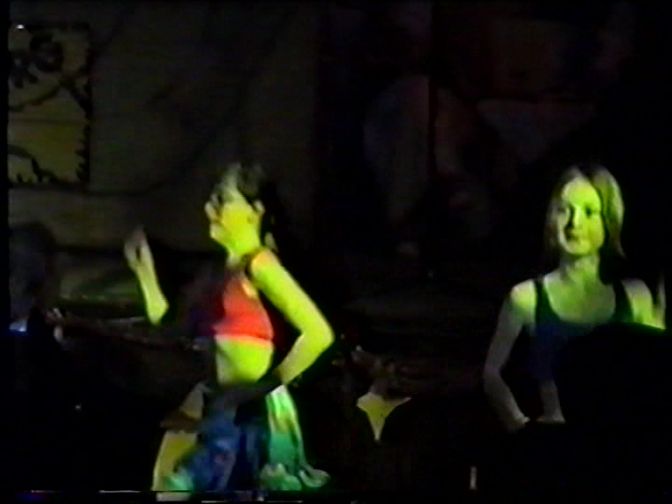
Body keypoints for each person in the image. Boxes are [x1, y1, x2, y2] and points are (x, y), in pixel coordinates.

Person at [124, 163, 334, 493]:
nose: (210, 210)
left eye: (222, 199)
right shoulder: (216, 275)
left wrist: (267, 385)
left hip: (249, 416)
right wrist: (146, 275)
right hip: (219, 408)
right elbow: (171, 328)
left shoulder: (260, 264)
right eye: (211, 201)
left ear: (255, 211)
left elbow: (319, 333)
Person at [483, 164, 665, 433]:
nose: (574, 223)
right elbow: (492, 374)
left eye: (589, 212)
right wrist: (520, 427)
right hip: (556, 446)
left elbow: (656, 375)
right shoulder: (526, 298)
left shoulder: (634, 297)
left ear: (609, 220)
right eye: (565, 210)